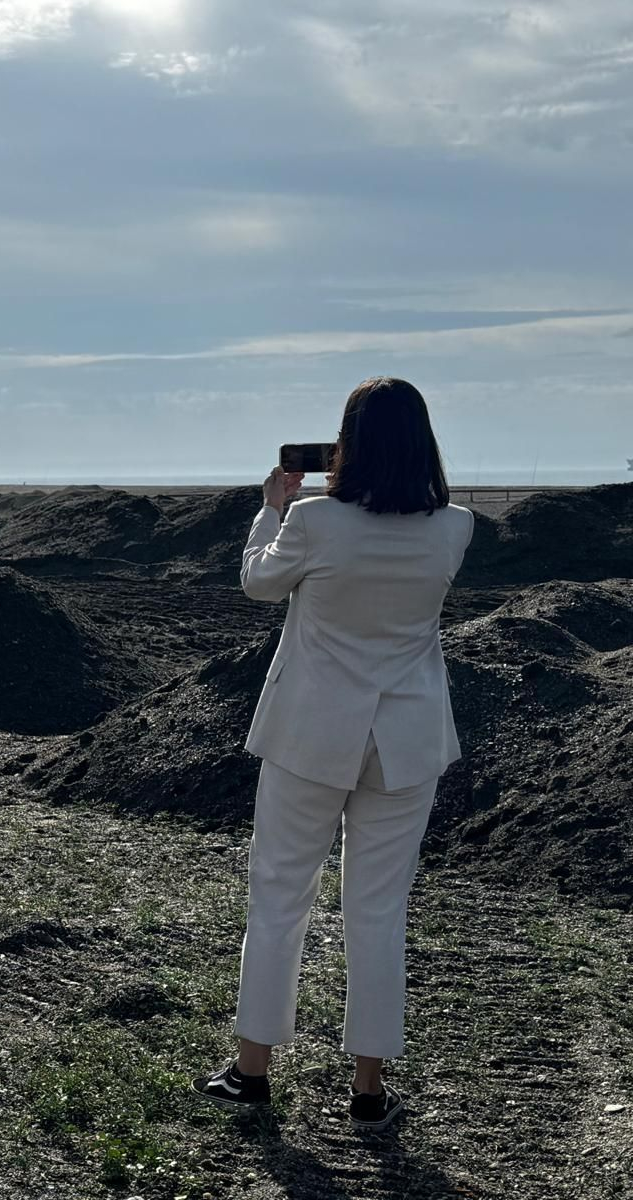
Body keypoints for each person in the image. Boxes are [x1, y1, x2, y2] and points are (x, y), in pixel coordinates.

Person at [192, 377, 475, 1132]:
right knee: (378, 912)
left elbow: (258, 584)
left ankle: (253, 1071)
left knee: (280, 897)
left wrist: (271, 507)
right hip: (406, 741)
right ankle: (368, 1088)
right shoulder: (455, 528)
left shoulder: (314, 520)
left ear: (347, 444)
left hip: (311, 735)